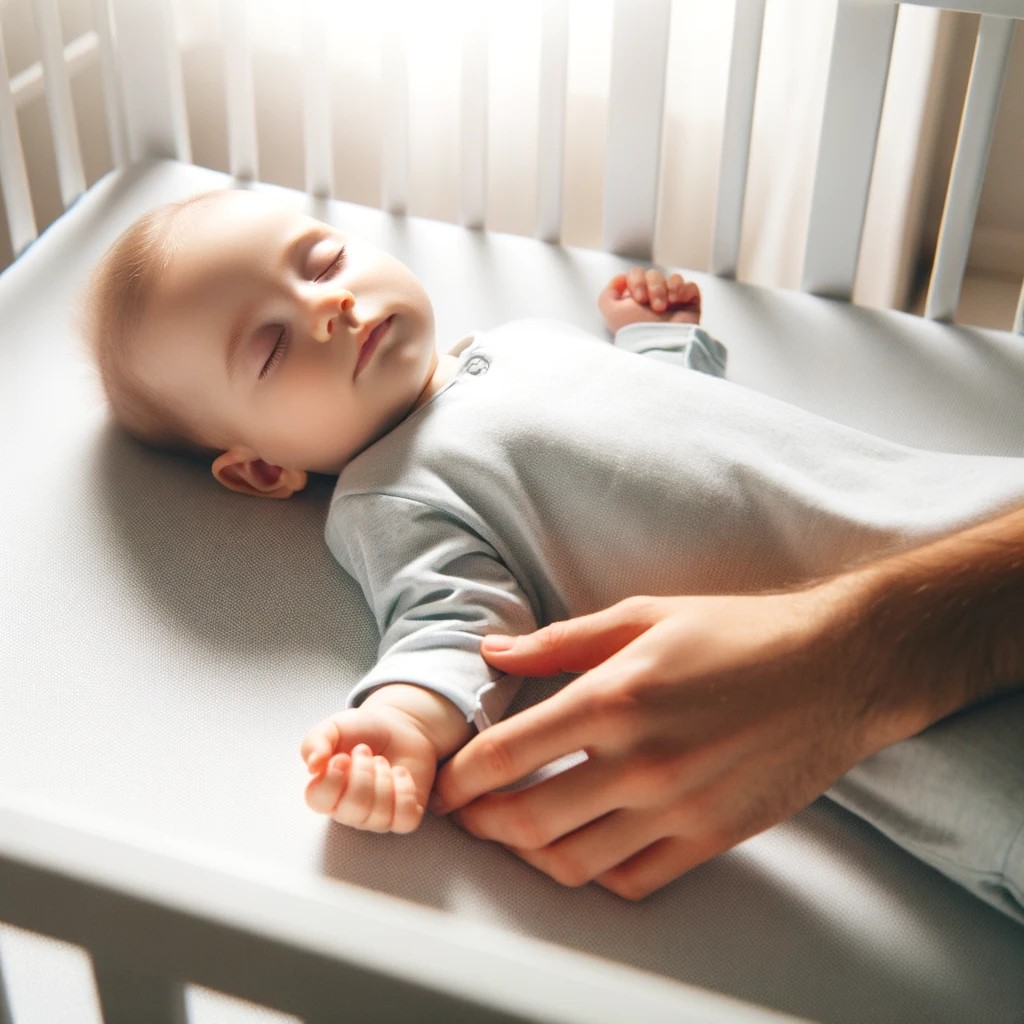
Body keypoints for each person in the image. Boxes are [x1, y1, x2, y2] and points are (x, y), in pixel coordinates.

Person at [84, 187, 1024, 921]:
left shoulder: (523, 339)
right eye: (271, 348)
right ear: (261, 471)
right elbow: (455, 624)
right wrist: (399, 731)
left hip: (956, 513)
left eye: (322, 258)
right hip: (888, 714)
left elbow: (668, 422)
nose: (327, 304)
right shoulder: (392, 492)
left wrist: (662, 337)